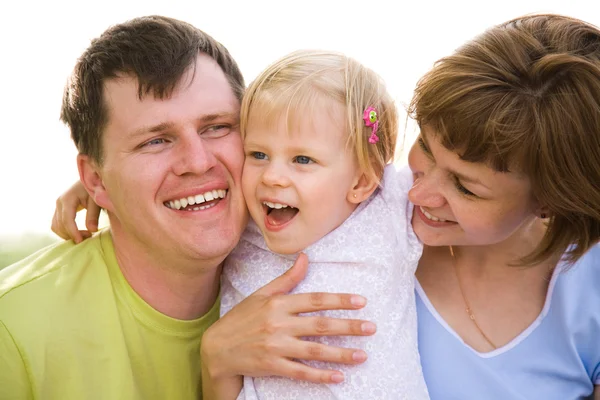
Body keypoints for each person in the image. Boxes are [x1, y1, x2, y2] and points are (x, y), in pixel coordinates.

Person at [51, 13, 600, 400]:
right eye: (425, 150)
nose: (417, 190)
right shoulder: (354, 207)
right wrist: (111, 187)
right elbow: (250, 168)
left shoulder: (586, 289)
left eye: (467, 188)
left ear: (551, 200)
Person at [0, 16, 372, 400]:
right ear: (94, 179)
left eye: (217, 127)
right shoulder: (12, 330)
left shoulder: (318, 239)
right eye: (155, 141)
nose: (198, 161)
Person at [219, 49, 427, 399]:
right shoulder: (240, 219)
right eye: (258, 154)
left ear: (360, 182)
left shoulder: (387, 207)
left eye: (302, 159)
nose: (272, 176)